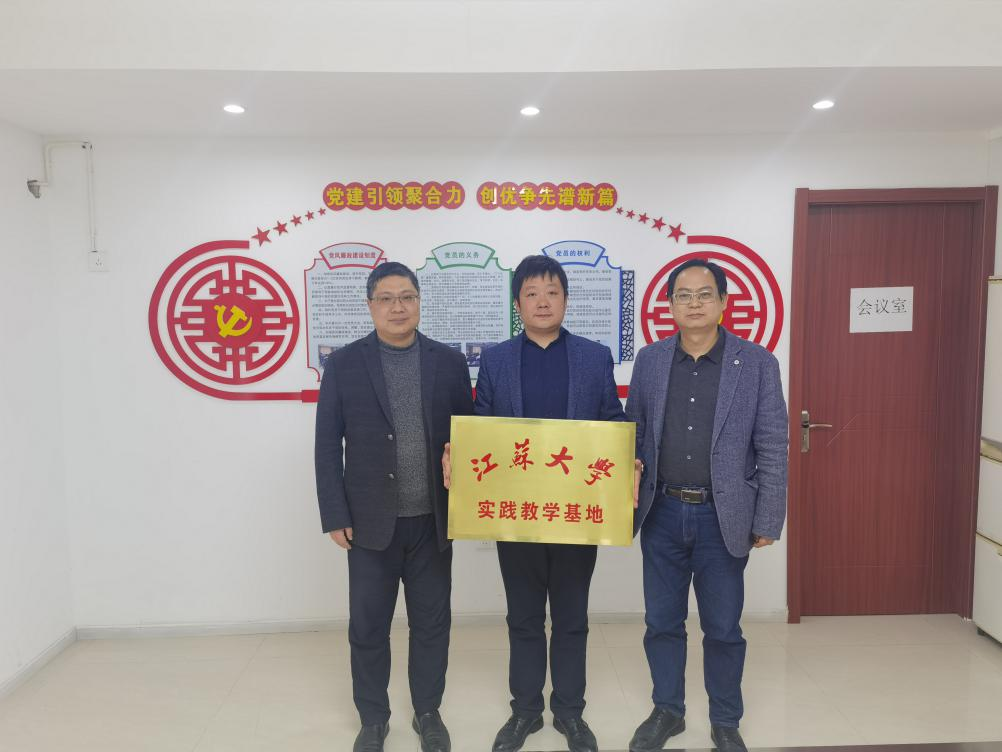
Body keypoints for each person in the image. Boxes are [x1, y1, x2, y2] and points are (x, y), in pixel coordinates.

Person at [446, 254, 627, 752]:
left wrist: (627, 457)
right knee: (523, 618)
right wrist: (457, 451)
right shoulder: (498, 360)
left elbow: (612, 420)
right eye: (531, 293)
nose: (542, 302)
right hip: (518, 515)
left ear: (566, 300)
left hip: (575, 515)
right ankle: (525, 711)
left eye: (552, 292)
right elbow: (482, 425)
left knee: (571, 618)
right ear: (517, 304)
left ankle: (569, 712)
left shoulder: (594, 357)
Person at [624, 258, 788, 752]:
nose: (693, 303)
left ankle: (725, 720)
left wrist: (768, 518)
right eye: (683, 295)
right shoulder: (651, 361)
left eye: (704, 294)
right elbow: (634, 434)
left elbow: (773, 445)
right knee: (661, 623)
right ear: (670, 304)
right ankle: (668, 710)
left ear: (722, 302)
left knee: (722, 628)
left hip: (724, 515)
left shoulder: (756, 363)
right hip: (662, 512)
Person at [315, 262, 473, 752]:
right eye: (386, 298)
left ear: (419, 301)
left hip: (432, 521)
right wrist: (335, 514)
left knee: (432, 625)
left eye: (406, 297)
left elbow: (469, 440)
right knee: (368, 627)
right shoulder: (344, 364)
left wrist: (468, 505)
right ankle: (373, 718)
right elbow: (327, 444)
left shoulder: (449, 362)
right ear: (370, 306)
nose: (397, 307)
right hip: (369, 524)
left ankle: (428, 712)